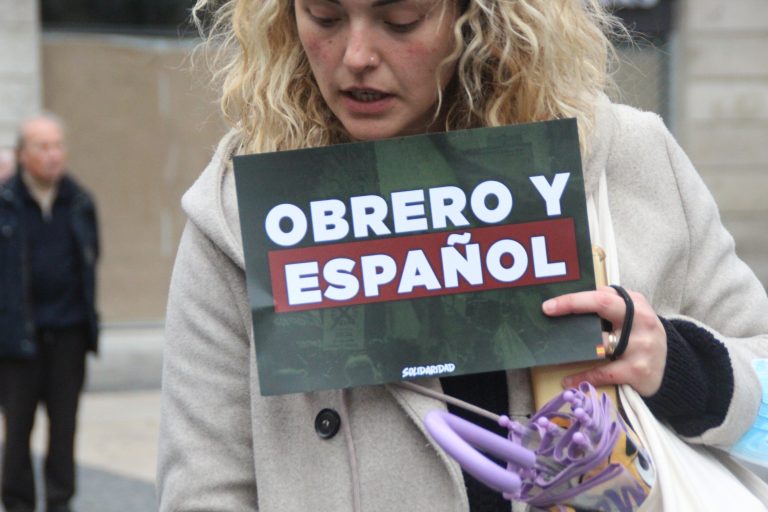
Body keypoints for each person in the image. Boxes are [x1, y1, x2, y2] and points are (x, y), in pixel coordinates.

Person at [157, 0, 768, 510]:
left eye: (401, 19)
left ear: (479, 17)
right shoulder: (240, 218)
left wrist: (679, 365)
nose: (356, 56)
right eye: (324, 16)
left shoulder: (623, 158)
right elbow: (205, 491)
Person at [0, 114, 99, 512]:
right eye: (43, 147)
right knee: (18, 430)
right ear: (23, 155)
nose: (53, 155)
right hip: (18, 337)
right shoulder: (5, 204)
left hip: (69, 335)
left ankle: (61, 502)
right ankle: (17, 503)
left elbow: (90, 262)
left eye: (58, 145)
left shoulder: (79, 201)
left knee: (64, 430)